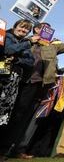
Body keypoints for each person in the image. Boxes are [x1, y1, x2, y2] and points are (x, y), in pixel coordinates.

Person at [3, 22, 64, 158]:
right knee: (16, 115)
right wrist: (29, 41)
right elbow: (10, 50)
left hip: (42, 86)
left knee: (30, 119)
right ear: (35, 30)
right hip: (24, 83)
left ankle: (19, 149)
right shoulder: (25, 41)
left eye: (49, 29)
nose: (47, 31)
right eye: (44, 29)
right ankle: (5, 148)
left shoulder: (52, 46)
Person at [0, 20, 37, 159]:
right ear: (15, 27)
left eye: (26, 30)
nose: (23, 31)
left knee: (4, 116)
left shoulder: (25, 45)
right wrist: (26, 44)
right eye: (21, 28)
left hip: (14, 82)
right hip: (3, 76)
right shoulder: (7, 35)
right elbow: (8, 49)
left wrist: (16, 60)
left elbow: (30, 62)